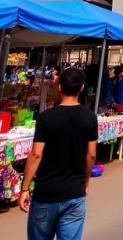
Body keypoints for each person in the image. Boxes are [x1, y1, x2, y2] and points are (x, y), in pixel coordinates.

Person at [19, 67, 98, 240]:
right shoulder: (90, 117)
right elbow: (91, 154)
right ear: (82, 87)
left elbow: (36, 154)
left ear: (59, 87)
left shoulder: (46, 117)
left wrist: (24, 188)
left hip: (46, 192)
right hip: (75, 193)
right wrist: (86, 180)